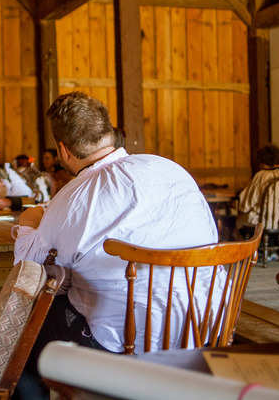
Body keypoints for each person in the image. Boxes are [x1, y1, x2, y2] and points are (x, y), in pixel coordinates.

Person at [12, 92, 221, 399]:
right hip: (199, 327)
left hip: (120, 343)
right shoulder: (169, 169)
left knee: (22, 334)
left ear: (64, 150)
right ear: (109, 133)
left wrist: (30, 220)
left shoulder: (71, 198)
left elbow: (27, 262)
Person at [238, 144, 279, 227]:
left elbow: (246, 205)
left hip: (264, 223)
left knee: (238, 221)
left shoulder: (262, 175)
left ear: (262, 162)